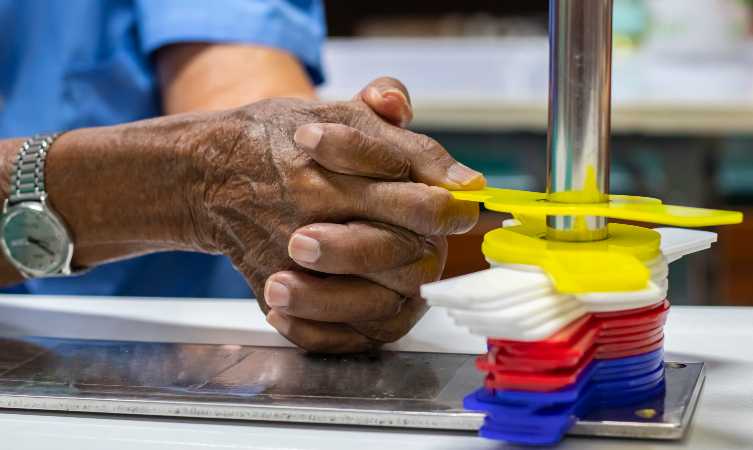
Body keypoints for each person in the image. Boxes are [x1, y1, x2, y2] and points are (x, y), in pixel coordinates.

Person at [0, 0, 485, 353]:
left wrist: (324, 177)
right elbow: (221, 164)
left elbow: (236, 71)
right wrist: (192, 178)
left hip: (190, 355)